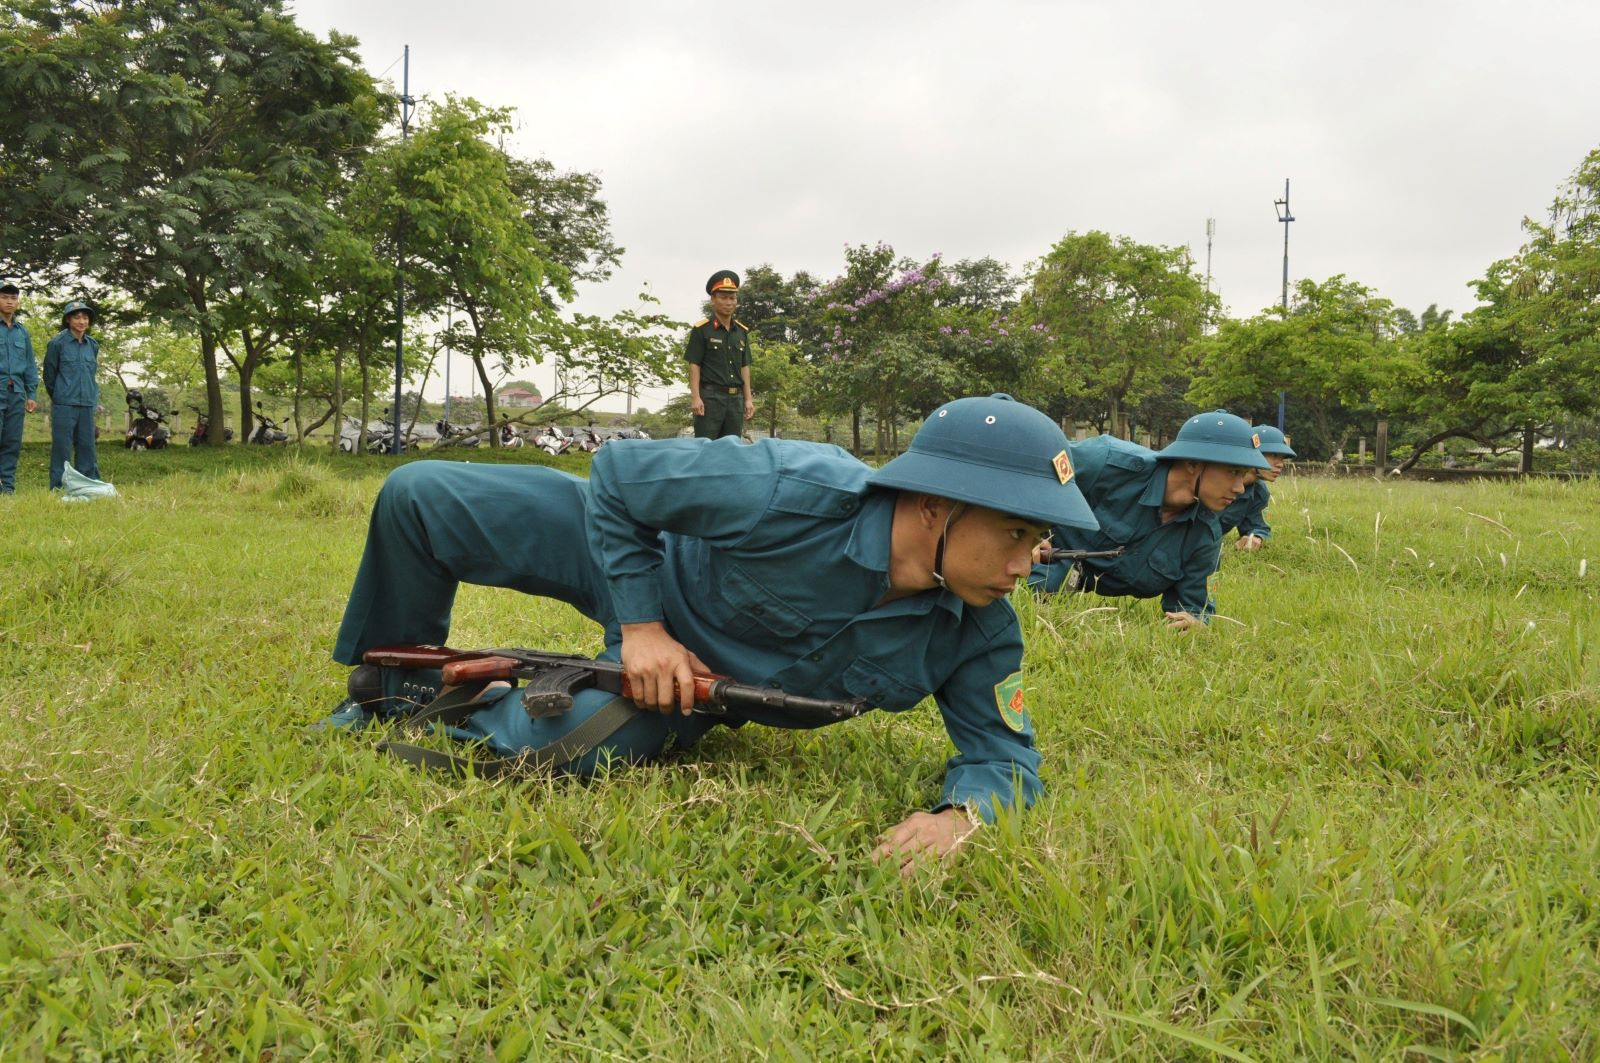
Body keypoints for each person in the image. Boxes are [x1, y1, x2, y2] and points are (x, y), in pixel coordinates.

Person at [321, 394, 1099, 867]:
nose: (1029, 561)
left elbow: (1003, 755)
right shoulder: (792, 486)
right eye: (1016, 531)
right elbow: (619, 481)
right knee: (419, 495)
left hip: (691, 688)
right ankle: (379, 681)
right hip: (637, 561)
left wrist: (959, 819)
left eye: (1039, 539)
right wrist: (643, 625)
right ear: (936, 503)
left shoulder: (979, 630)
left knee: (554, 749)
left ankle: (425, 696)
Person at [1029, 411, 1271, 630]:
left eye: (1243, 475)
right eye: (1233, 472)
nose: (1240, 488)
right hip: (1043, 561)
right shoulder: (1108, 462)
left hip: (1078, 577)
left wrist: (1194, 623)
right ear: (1193, 463)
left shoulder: (1205, 535)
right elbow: (1032, 471)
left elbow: (1194, 608)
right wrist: (1030, 532)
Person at [685, 270, 754, 439]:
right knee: (705, 448)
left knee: (732, 449)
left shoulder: (741, 332)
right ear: (713, 299)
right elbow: (694, 364)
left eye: (732, 298)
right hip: (710, 399)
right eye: (723, 297)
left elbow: (745, 367)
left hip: (735, 400)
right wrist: (695, 397)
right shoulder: (702, 329)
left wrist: (748, 399)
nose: (729, 302)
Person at [43, 300, 102, 489]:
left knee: (87, 448)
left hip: (86, 404)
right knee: (62, 448)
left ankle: (88, 486)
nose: (81, 321)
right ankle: (59, 488)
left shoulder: (92, 345)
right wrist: (60, 395)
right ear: (68, 320)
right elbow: (49, 375)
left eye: (85, 318)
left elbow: (91, 375)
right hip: (64, 404)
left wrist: (92, 399)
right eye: (77, 317)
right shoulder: (57, 343)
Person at [1217, 425, 1295, 550]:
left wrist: (1255, 537)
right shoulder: (1213, 480)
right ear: (1252, 452)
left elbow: (1256, 525)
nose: (1280, 464)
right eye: (1274, 455)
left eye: (1282, 458)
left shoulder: (1258, 492)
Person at [0, 280, 39, 494]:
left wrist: (31, 393)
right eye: (5, 297)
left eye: (13, 298)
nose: (9, 301)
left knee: (12, 443)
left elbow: (30, 364)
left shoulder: (22, 332)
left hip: (15, 393)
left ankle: (7, 488)